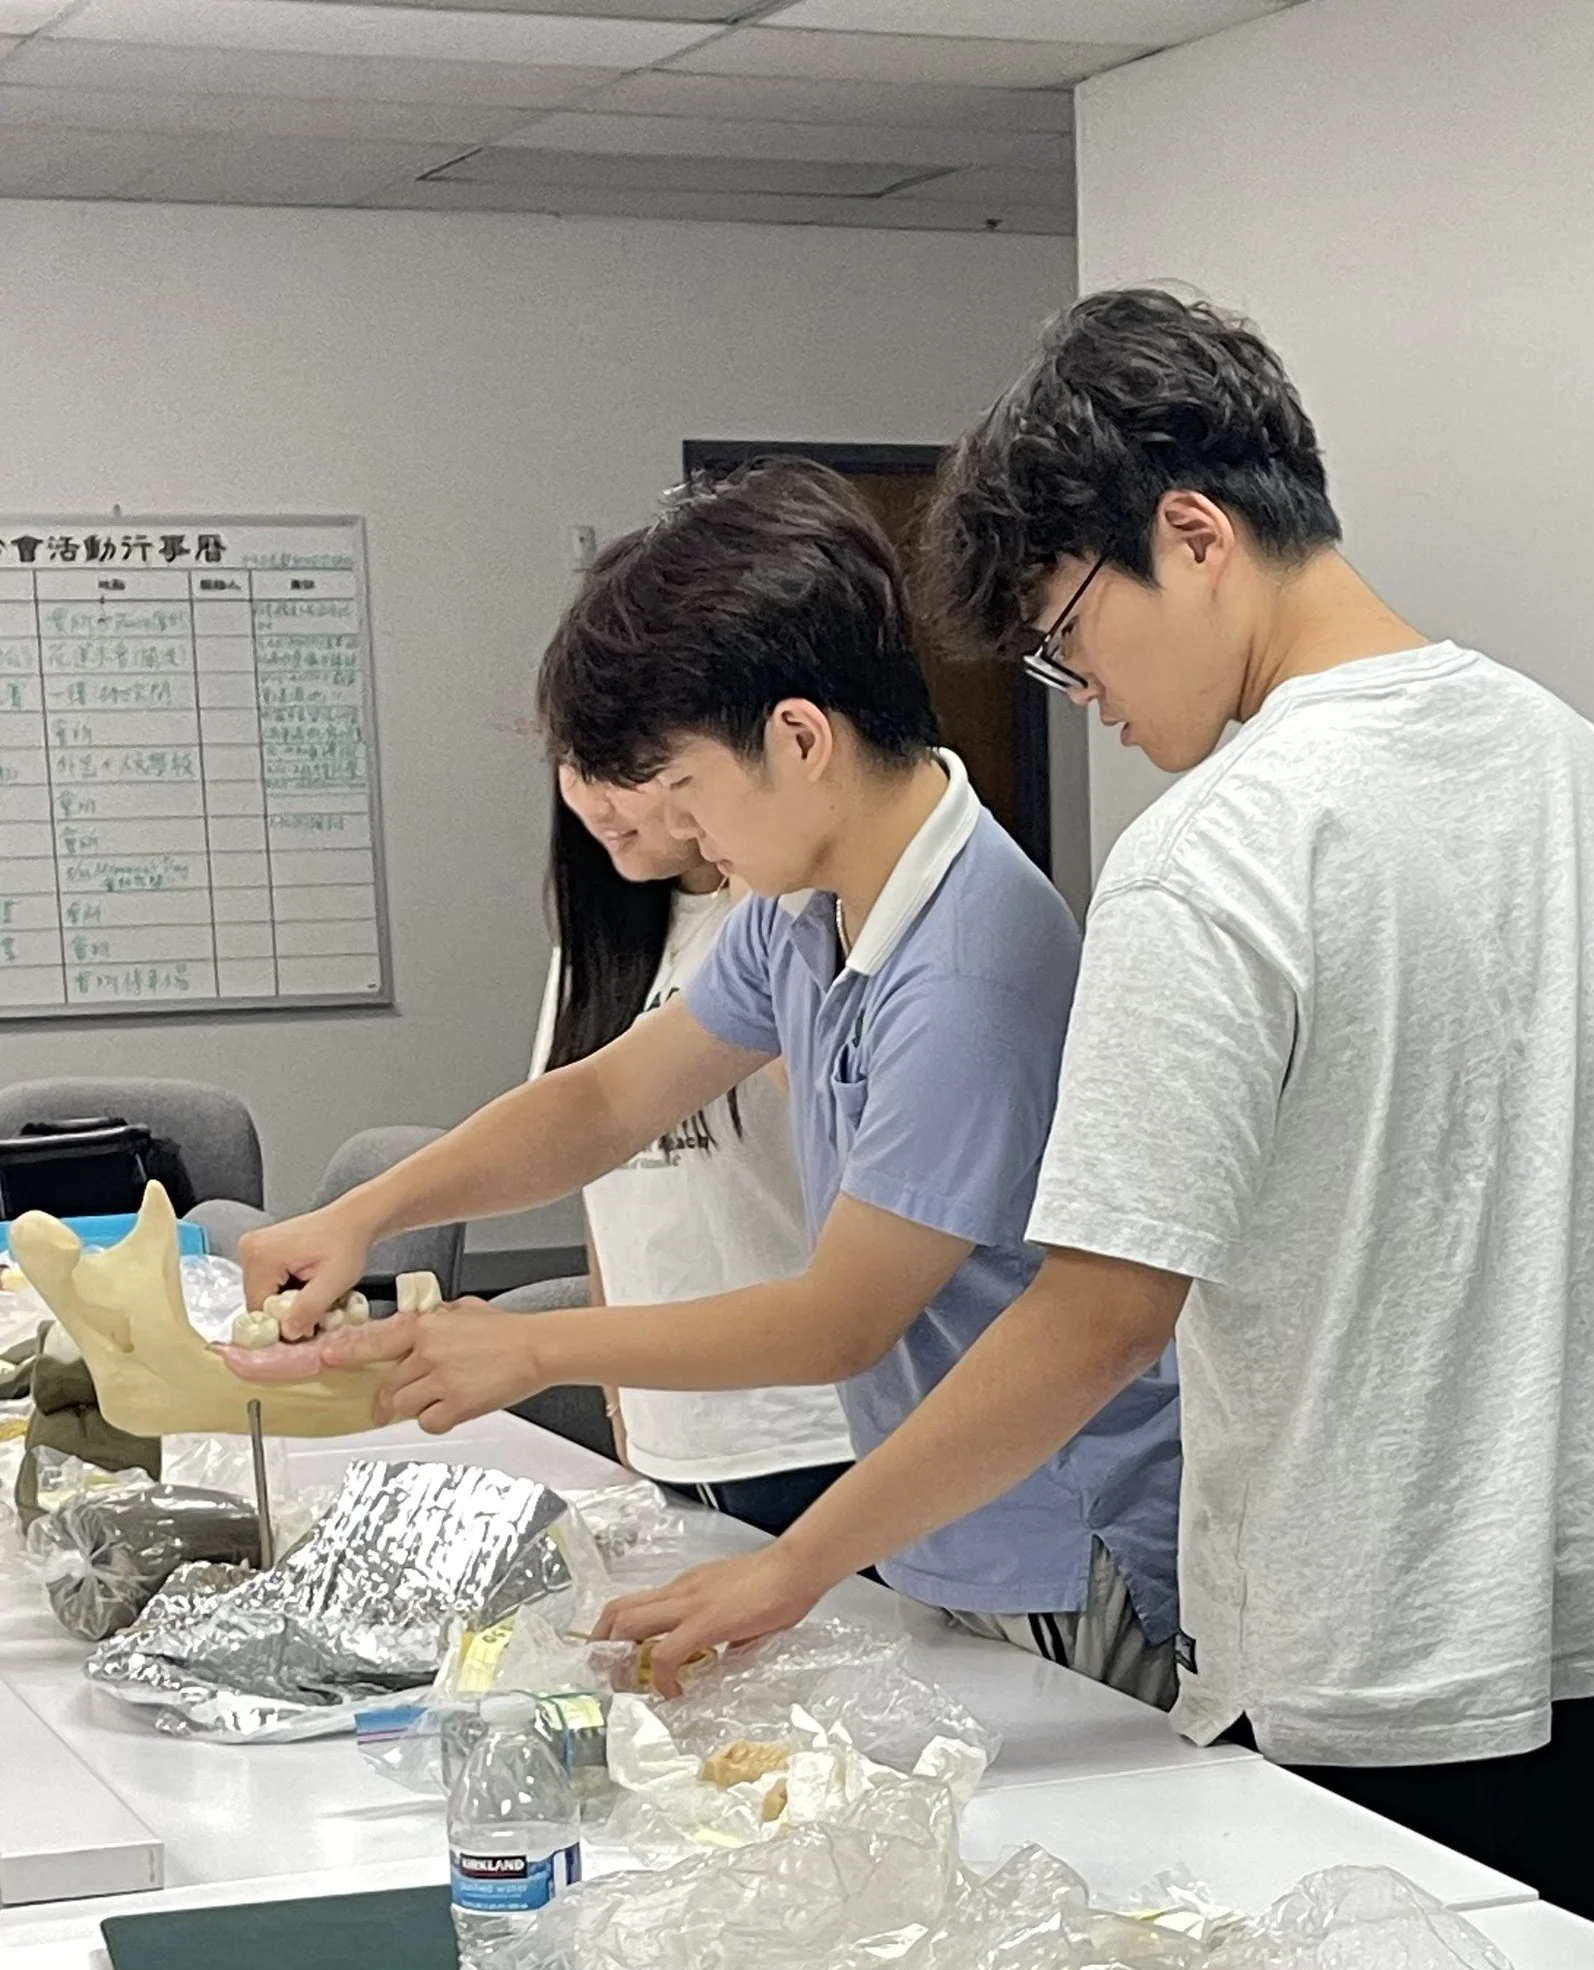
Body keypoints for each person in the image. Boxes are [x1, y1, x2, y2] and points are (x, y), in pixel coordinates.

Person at [590, 292, 1594, 1929]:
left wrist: (795, 1559)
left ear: (1190, 536)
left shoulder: (1220, 848)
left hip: (1367, 1625)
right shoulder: (1580, 767)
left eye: (1067, 626)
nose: (1077, 687)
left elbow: (1101, 1315)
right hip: (1591, 1598)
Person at [236, 461, 1180, 1705]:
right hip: (936, 1518)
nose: (677, 832)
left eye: (684, 786)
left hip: (1058, 1542)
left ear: (797, 739)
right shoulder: (806, 904)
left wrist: (530, 1348)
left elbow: (844, 1314)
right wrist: (361, 1214)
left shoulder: (970, 963)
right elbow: (608, 1099)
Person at [534, 752, 854, 1534]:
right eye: (579, 765)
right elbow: (602, 1185)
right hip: (668, 1440)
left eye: (631, 767)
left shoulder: (804, 921)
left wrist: (757, 892)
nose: (601, 804)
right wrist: (621, 1404)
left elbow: (824, 1100)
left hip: (811, 1429)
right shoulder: (593, 955)